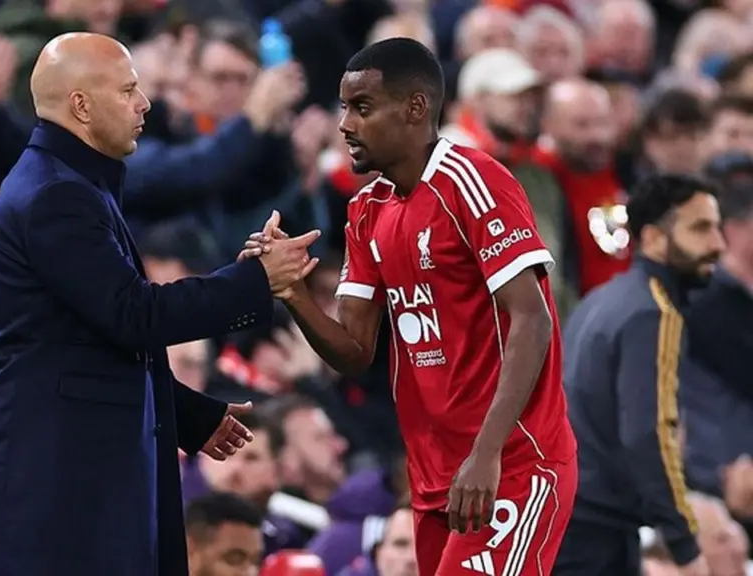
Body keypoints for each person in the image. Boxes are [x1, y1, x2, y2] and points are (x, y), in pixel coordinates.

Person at [0, 32, 321, 576]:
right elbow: (134, 316)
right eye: (128, 90)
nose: (144, 103)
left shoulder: (73, 183)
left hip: (64, 475)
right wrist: (254, 281)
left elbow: (84, 341)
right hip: (49, 485)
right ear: (81, 105)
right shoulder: (56, 195)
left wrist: (189, 414)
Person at [242, 38, 577, 576]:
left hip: (511, 462)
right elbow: (353, 351)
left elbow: (532, 318)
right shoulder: (366, 211)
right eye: (344, 108)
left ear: (415, 108)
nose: (345, 124)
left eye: (363, 107)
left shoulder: (472, 182)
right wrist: (293, 292)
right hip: (433, 475)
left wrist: (487, 452)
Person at [555, 175, 724, 576]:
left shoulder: (600, 299)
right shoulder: (654, 313)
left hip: (562, 518)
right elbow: (649, 436)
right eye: (700, 228)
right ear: (652, 238)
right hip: (598, 534)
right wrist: (685, 545)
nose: (717, 243)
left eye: (717, 227)